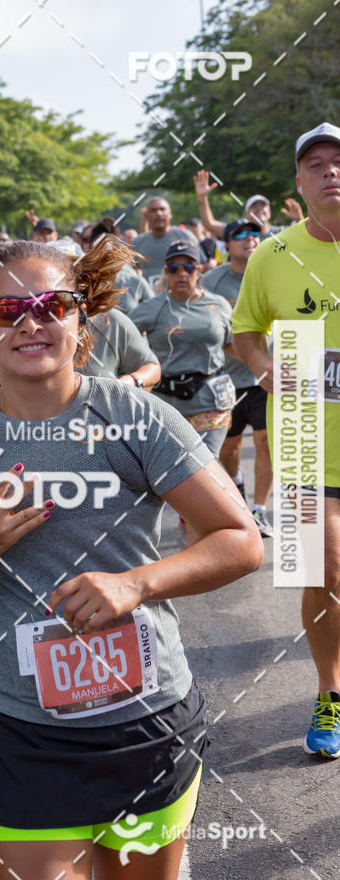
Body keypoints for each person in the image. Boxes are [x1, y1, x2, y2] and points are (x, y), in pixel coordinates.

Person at [0, 236, 262, 880]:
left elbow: (240, 539)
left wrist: (136, 582)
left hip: (145, 725)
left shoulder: (134, 417)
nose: (31, 323)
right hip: (15, 736)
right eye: (6, 312)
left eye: (51, 304)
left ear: (82, 319)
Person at [232, 121, 340, 758]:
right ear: (298, 182)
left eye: (339, 160)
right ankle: (331, 692)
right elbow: (246, 332)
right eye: (317, 164)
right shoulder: (273, 255)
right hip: (302, 434)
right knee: (322, 570)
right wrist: (269, 368)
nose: (331, 170)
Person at [130, 241, 236, 461]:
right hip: (168, 403)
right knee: (173, 466)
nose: (181, 273)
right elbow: (124, 338)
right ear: (166, 272)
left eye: (188, 267)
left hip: (210, 401)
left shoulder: (219, 306)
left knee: (206, 463)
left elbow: (235, 346)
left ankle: (231, 486)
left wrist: (267, 364)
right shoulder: (153, 307)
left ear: (199, 270)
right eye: (173, 267)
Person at [202, 219, 273, 537]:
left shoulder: (271, 271)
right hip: (228, 381)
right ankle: (238, 483)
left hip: (266, 378)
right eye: (241, 235)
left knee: (265, 441)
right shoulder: (213, 281)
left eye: (255, 233)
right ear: (227, 244)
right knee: (229, 449)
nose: (250, 239)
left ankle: (259, 510)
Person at [193, 170, 304, 241]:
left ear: (269, 213)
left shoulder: (282, 233)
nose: (259, 208)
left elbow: (304, 237)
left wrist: (300, 220)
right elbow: (209, 223)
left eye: (263, 205)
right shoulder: (237, 232)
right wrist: (202, 198)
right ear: (246, 214)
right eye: (254, 206)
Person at [130, 198, 205, 287]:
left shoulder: (186, 236)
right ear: (146, 216)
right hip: (149, 298)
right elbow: (131, 271)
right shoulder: (137, 242)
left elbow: (203, 265)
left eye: (162, 209)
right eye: (153, 210)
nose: (158, 213)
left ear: (170, 213)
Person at [88, 218, 154, 314]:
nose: (100, 257)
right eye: (96, 252)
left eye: (105, 253)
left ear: (115, 252)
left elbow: (154, 309)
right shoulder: (84, 280)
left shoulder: (133, 280)